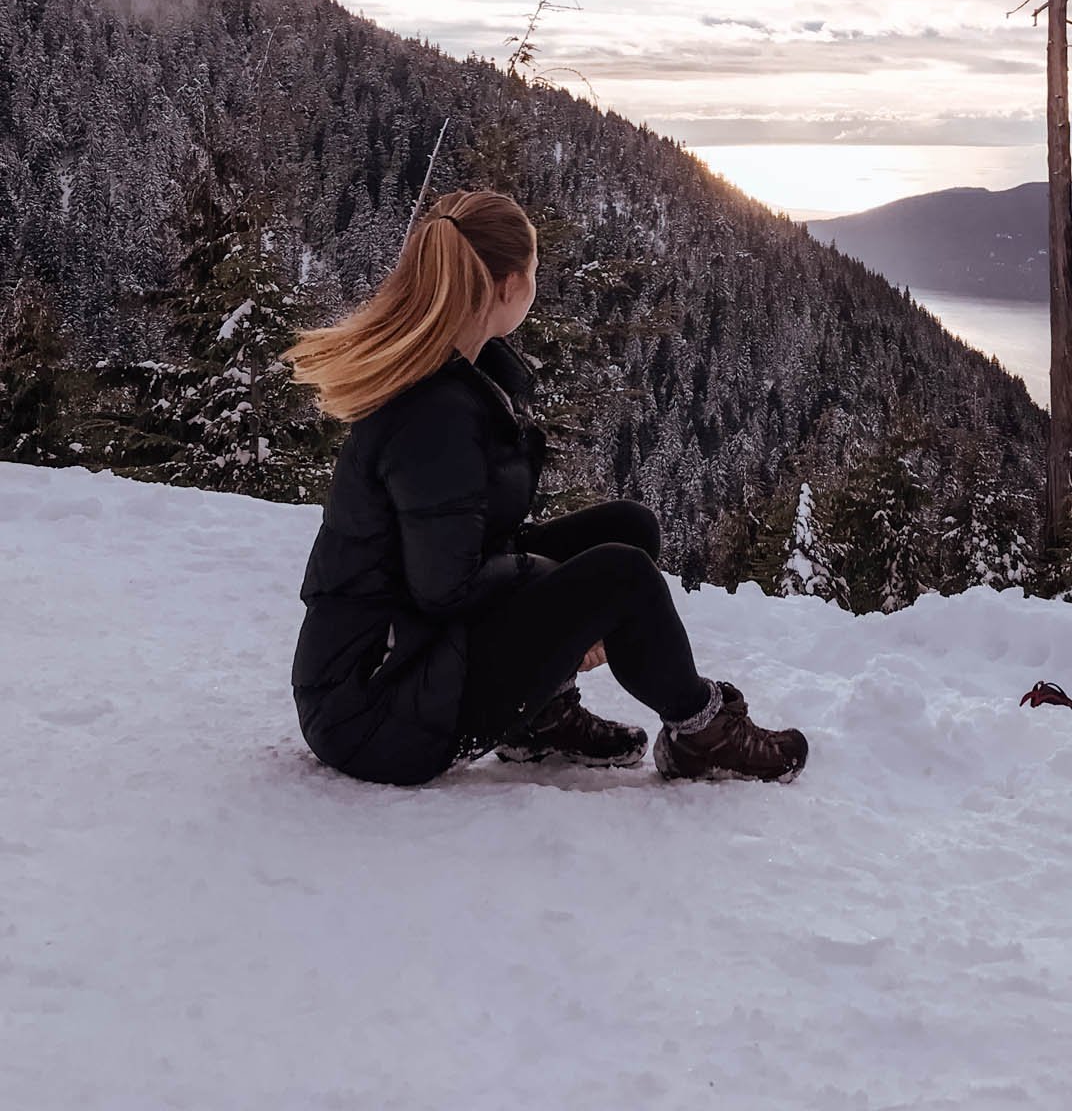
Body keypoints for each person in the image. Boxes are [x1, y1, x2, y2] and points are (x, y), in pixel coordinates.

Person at [284, 187, 808, 787]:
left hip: (403, 659)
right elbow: (445, 589)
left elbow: (465, 549)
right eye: (534, 272)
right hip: (378, 712)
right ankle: (700, 734)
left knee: (627, 528)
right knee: (623, 573)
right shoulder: (437, 412)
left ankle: (537, 714)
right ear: (507, 287)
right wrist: (550, 587)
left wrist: (555, 617)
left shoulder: (457, 375)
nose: (537, 285)